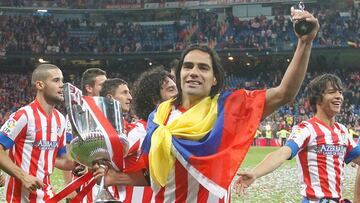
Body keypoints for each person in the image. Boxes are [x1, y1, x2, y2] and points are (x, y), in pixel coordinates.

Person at [94, 8, 319, 202]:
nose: (194, 72)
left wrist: (304, 43)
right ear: (179, 74)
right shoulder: (159, 116)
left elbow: (284, 94)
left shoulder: (228, 108)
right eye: (188, 66)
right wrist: (112, 177)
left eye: (203, 68)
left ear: (214, 79)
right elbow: (149, 172)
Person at [235, 74, 360, 202]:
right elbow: (283, 152)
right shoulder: (307, 129)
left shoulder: (342, 131)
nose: (339, 96)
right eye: (332, 92)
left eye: (340, 92)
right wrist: (256, 172)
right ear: (318, 99)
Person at [0, 64, 77, 202]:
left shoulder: (60, 119)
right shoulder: (23, 116)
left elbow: (61, 160)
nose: (62, 85)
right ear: (40, 85)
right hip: (20, 198)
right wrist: (23, 176)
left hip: (47, 195)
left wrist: (80, 164)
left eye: (62, 80)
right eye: (56, 80)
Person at [121, 66, 178, 203]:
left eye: (177, 88)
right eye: (171, 90)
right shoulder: (141, 130)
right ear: (155, 99)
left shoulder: (182, 123)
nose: (178, 94)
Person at [62, 67, 107, 202]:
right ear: (89, 87)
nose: (106, 88)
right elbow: (67, 151)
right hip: (82, 184)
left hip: (106, 182)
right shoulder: (76, 114)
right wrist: (69, 188)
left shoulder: (108, 113)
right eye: (102, 85)